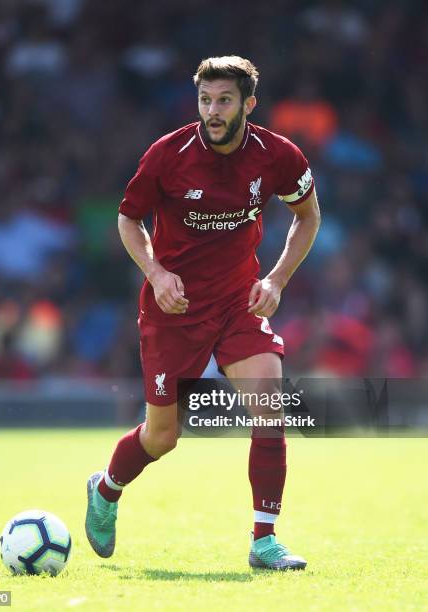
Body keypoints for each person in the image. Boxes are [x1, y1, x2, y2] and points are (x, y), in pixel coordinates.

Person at [86, 56, 321, 570]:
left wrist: (276, 279)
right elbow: (128, 221)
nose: (212, 112)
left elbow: (307, 216)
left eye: (224, 101)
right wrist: (155, 273)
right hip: (175, 309)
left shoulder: (276, 155)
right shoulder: (168, 155)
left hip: (240, 301)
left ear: (248, 105)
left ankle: (264, 541)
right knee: (162, 437)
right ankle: (106, 488)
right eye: (205, 100)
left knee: (270, 410)